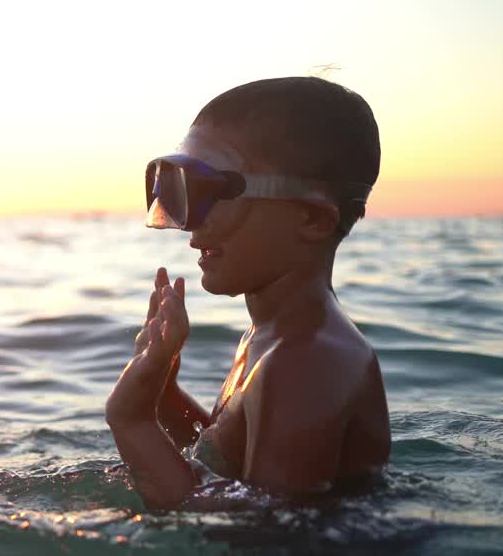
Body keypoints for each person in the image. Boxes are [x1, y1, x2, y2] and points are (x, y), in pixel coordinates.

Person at [106, 77, 390, 509]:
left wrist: (132, 423)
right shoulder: (271, 341)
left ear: (312, 219)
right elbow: (226, 467)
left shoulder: (307, 361)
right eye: (182, 191)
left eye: (208, 194)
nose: (190, 225)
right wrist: (162, 395)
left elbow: (259, 549)